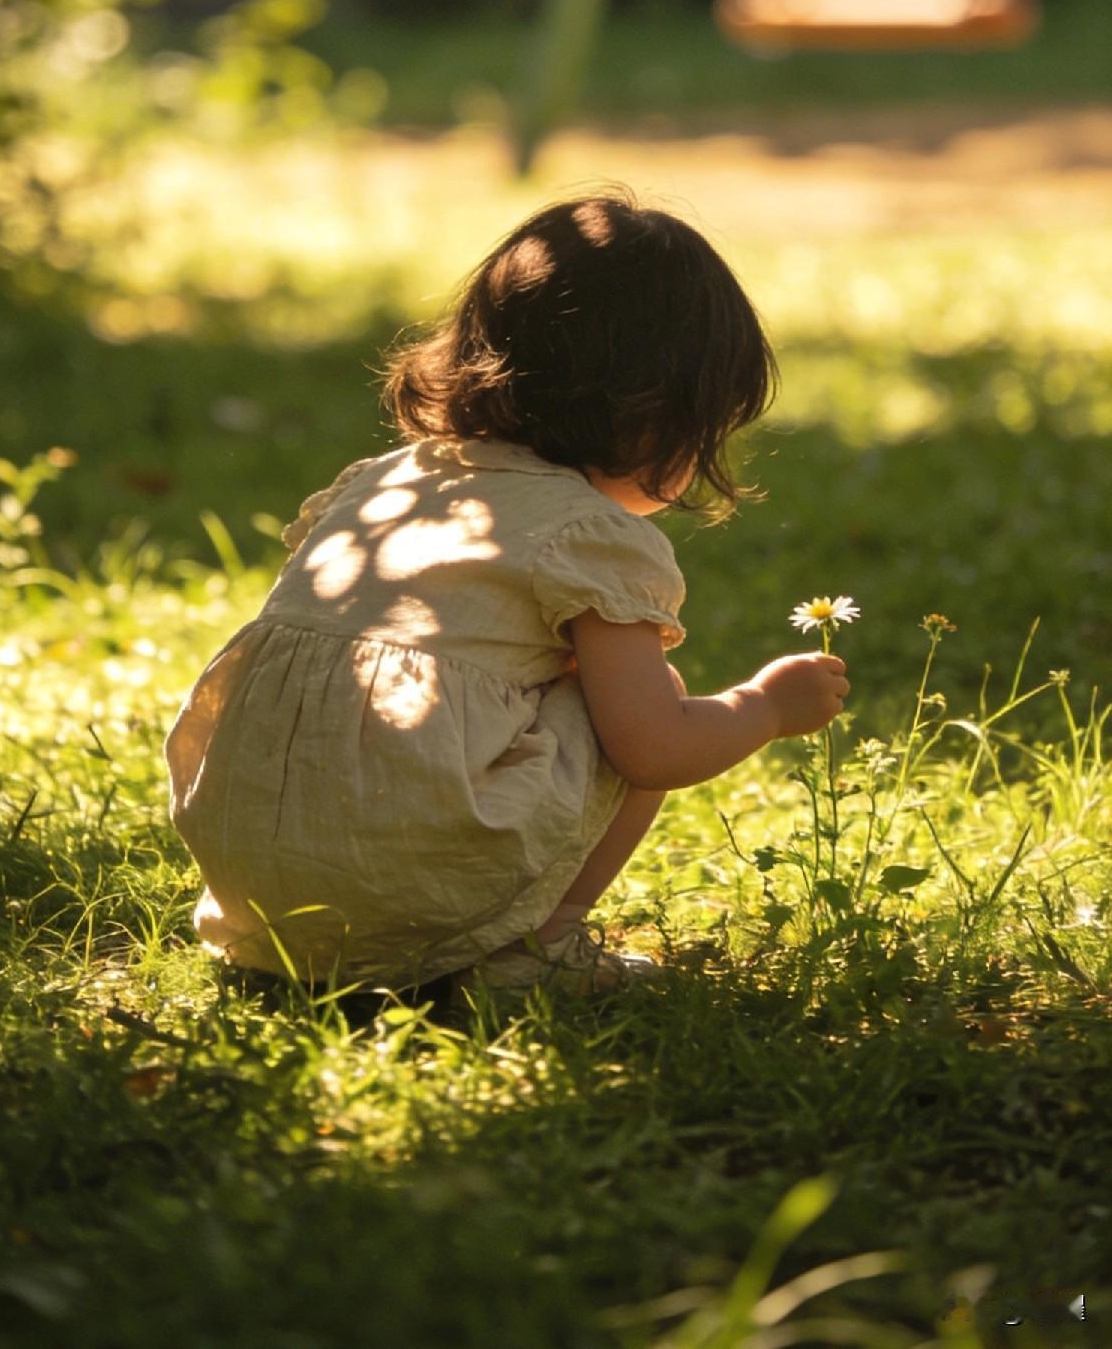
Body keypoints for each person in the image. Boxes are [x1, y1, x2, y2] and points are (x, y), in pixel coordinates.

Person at [164, 188, 850, 1002]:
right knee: (645, 694)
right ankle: (538, 947)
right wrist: (762, 706)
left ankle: (322, 938)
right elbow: (653, 747)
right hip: (397, 886)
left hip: (256, 891)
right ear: (656, 414)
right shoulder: (589, 535)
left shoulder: (383, 487)